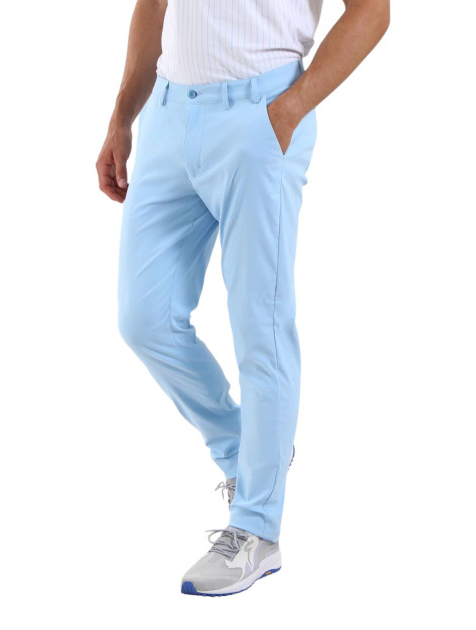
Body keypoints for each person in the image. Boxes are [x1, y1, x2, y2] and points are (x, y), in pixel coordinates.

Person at [96, 0, 389, 597]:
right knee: (143, 318)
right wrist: (122, 116)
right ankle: (249, 455)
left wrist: (289, 110)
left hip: (261, 114)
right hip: (169, 114)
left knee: (261, 325)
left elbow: (372, 11)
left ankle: (258, 529)